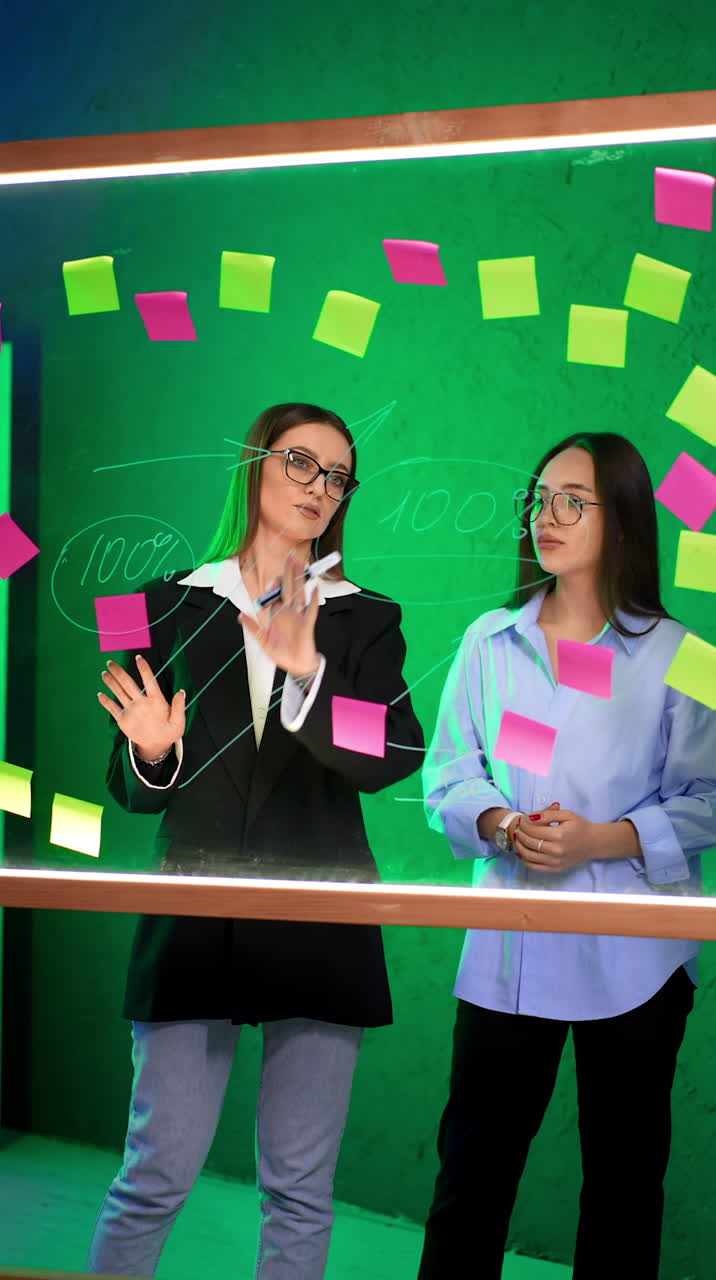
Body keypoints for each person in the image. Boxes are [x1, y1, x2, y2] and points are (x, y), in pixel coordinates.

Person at [87, 402, 424, 1280]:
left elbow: (395, 750)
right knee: (153, 1176)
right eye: (302, 464)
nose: (320, 488)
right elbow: (125, 781)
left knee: (301, 1190)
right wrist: (153, 753)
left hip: (320, 922)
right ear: (257, 464)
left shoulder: (367, 619)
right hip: (193, 920)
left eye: (338, 476)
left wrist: (306, 679)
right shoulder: (153, 604)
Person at [417, 432, 716, 1280]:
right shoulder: (488, 642)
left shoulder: (685, 657)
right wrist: (503, 826)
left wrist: (601, 840)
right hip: (507, 948)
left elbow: (712, 798)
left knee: (623, 1186)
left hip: (636, 962)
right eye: (539, 497)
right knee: (471, 1177)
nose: (547, 516)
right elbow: (450, 775)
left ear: (621, 520)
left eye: (572, 500)